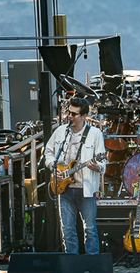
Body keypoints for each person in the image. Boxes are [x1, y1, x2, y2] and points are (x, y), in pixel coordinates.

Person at [44, 97, 106, 255]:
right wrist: (53, 168)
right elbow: (48, 152)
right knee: (67, 230)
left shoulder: (94, 134)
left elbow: (102, 160)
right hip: (64, 189)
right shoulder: (60, 131)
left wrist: (96, 166)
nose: (69, 116)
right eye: (68, 113)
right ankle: (72, 264)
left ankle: (92, 264)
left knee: (90, 229)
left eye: (74, 114)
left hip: (85, 188)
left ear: (84, 116)